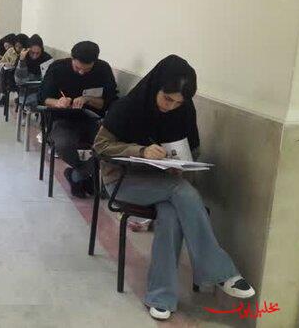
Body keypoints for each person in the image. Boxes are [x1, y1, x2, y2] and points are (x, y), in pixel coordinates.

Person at [93, 55, 255, 321]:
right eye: (167, 99)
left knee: (170, 214)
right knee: (181, 191)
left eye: (178, 102)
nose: (171, 107)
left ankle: (161, 297)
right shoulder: (128, 107)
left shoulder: (184, 111)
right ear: (155, 87)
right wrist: (141, 151)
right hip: (122, 181)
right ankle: (219, 270)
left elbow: (192, 148)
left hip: (163, 183)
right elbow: (100, 146)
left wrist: (179, 164)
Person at [38, 41, 118, 197]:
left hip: (92, 119)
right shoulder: (58, 68)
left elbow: (109, 101)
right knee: (63, 144)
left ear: (94, 62)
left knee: (109, 146)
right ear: (71, 58)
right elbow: (43, 98)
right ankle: (84, 175)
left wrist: (88, 99)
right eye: (77, 68)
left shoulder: (103, 69)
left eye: (86, 69)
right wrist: (58, 102)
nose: (81, 72)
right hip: (62, 119)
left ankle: (76, 176)